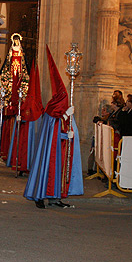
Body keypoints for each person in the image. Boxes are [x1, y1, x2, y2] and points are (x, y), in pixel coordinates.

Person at [24, 47, 82, 209]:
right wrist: (65, 125)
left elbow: (61, 127)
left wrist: (69, 132)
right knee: (47, 172)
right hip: (49, 152)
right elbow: (53, 131)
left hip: (59, 151)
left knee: (59, 173)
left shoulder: (60, 112)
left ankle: (56, 197)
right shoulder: (51, 112)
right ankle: (40, 197)